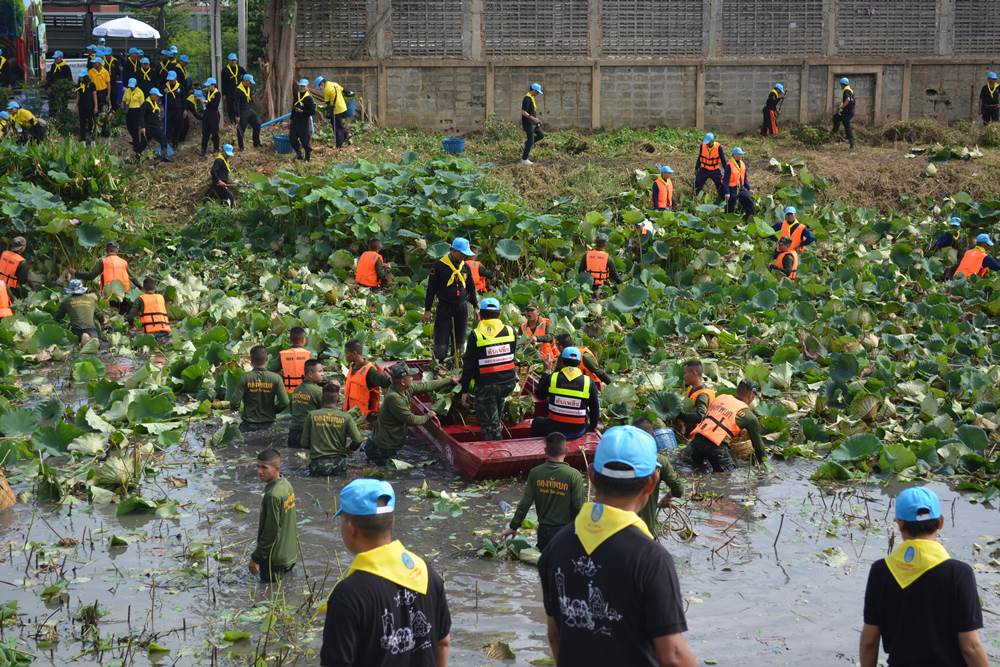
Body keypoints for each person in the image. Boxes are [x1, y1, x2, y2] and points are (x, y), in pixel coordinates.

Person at [538, 426, 697, 667]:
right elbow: (673, 656)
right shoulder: (651, 558)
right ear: (652, 482)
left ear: (591, 475)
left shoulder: (556, 547)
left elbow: (555, 635)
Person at [320, 479, 452, 666]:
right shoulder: (427, 573)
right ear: (392, 521)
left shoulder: (348, 594)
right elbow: (443, 642)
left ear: (350, 527)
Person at [859, 486, 987, 667]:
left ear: (900, 524)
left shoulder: (880, 571)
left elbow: (869, 642)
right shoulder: (958, 573)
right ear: (941, 522)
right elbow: (971, 647)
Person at [502, 432, 585, 550]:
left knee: (544, 558)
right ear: (566, 451)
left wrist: (513, 526)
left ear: (545, 451)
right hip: (565, 532)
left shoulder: (535, 473)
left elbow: (525, 504)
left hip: (543, 532)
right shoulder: (574, 475)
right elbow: (578, 507)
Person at [367, 364, 459, 466]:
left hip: (387, 444)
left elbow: (426, 386)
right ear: (402, 382)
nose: (412, 378)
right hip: (381, 449)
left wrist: (450, 380)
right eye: (410, 376)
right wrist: (428, 416)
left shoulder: (403, 389)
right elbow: (411, 420)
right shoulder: (394, 398)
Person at [459, 297, 518, 441]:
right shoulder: (510, 331)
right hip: (508, 383)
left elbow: (469, 365)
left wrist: (464, 390)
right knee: (495, 416)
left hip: (487, 386)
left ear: (480, 315)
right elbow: (511, 355)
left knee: (489, 426)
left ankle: (496, 447)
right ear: (499, 314)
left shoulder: (476, 334)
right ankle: (496, 429)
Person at [688, 379, 766, 472]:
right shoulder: (749, 416)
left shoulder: (721, 397)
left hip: (697, 440)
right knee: (728, 474)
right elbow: (759, 447)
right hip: (716, 447)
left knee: (695, 469)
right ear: (751, 394)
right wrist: (764, 466)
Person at [422, 237, 479, 363]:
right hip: (445, 306)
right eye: (463, 254)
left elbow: (471, 288)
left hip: (461, 307)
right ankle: (440, 363)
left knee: (460, 339)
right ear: (454, 251)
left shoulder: (465, 267)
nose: (465, 256)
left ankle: (456, 364)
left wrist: (476, 306)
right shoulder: (439, 266)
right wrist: (427, 310)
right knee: (441, 340)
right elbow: (431, 289)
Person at [249, 449, 298, 583]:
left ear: (277, 468)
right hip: (289, 555)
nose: (259, 471)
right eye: (258, 466)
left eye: (264, 467)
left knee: (268, 591)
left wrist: (255, 558)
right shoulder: (286, 484)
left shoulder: (272, 496)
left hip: (274, 560)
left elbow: (270, 532)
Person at [632, 417, 685, 537]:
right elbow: (678, 489)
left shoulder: (616, 458)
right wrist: (666, 498)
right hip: (644, 531)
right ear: (653, 436)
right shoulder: (659, 461)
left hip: (614, 532)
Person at [531, 347, 600, 438]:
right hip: (577, 430)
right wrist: (592, 426)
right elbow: (595, 409)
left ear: (562, 362)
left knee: (536, 422)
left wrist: (546, 372)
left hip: (553, 428)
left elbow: (540, 395)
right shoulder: (588, 382)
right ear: (579, 363)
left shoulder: (553, 378)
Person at [303, 382, 365, 476]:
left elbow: (304, 443)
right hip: (339, 465)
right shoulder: (346, 417)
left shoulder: (311, 415)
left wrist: (317, 449)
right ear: (339, 399)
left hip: (318, 464)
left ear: (322, 398)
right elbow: (358, 440)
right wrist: (349, 449)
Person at [231, 345, 290, 435]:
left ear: (251, 360)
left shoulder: (245, 378)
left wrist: (237, 410)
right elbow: (285, 402)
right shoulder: (276, 378)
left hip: (248, 424)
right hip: (269, 424)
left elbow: (234, 402)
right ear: (266, 359)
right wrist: (274, 410)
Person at [71, 241, 140, 300]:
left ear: (106, 250)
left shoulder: (103, 261)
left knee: (86, 298)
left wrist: (76, 273)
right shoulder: (124, 262)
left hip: (108, 296)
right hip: (124, 295)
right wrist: (141, 287)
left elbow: (91, 276)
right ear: (117, 250)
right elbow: (133, 278)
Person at [343, 339, 391, 419]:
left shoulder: (370, 371)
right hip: (352, 415)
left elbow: (385, 383)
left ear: (354, 353)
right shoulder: (352, 366)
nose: (345, 356)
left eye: (347, 353)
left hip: (365, 418)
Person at [288, 358, 324, 448]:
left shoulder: (296, 389)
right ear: (310, 374)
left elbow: (292, 410)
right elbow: (325, 413)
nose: (323, 374)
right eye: (320, 371)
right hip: (308, 433)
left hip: (293, 432)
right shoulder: (318, 391)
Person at [677, 359, 715, 437]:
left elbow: (700, 417)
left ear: (694, 373)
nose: (684, 376)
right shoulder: (691, 389)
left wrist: (681, 415)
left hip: (699, 435)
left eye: (685, 373)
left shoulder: (703, 395)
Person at [128, 277, 171, 342]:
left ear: (143, 288)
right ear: (155, 288)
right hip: (165, 332)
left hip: (151, 334)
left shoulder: (140, 299)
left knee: (130, 334)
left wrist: (132, 325)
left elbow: (130, 316)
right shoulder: (161, 297)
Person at [315, 75, 350, 148]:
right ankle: (346, 135)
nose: (320, 88)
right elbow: (344, 90)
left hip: (336, 110)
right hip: (343, 107)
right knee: (339, 124)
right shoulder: (334, 83)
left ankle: (339, 145)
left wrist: (326, 111)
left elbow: (327, 103)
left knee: (336, 127)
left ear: (322, 83)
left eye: (320, 86)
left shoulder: (326, 90)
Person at [519, 303, 558, 368]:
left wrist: (537, 338)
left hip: (547, 359)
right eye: (527, 310)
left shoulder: (546, 322)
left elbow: (550, 337)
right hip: (530, 361)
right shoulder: (522, 326)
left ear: (538, 312)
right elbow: (519, 342)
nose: (529, 312)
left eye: (532, 310)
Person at [694, 132, 727, 201]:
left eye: (708, 142)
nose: (707, 144)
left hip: (715, 170)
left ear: (712, 141)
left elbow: (723, 160)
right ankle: (698, 199)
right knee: (697, 183)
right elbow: (700, 157)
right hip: (704, 169)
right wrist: (697, 168)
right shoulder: (702, 146)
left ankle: (722, 199)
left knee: (721, 185)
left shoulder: (718, 147)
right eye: (706, 142)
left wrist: (727, 171)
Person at [724, 147, 754, 220]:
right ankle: (728, 220)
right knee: (731, 205)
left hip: (740, 188)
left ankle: (748, 219)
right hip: (732, 189)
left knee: (749, 202)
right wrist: (727, 192)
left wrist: (749, 188)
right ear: (734, 155)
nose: (741, 156)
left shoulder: (742, 164)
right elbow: (726, 180)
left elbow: (744, 178)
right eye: (739, 154)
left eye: (741, 154)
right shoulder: (729, 165)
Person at [290, 79, 316, 161]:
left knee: (304, 141)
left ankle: (307, 158)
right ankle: (299, 154)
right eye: (300, 86)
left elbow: (312, 112)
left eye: (303, 86)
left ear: (307, 87)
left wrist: (302, 111)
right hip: (295, 121)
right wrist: (291, 119)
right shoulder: (296, 96)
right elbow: (293, 108)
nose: (301, 87)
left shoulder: (309, 98)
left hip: (304, 122)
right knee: (292, 138)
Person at [279, 327, 311, 393]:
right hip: (305, 392)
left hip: (288, 392)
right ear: (303, 339)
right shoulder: (309, 354)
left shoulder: (282, 354)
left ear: (290, 340)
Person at [235, 74, 262, 151]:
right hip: (242, 111)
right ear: (245, 81)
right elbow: (236, 104)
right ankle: (241, 147)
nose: (250, 84)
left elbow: (250, 100)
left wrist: (252, 108)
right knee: (241, 129)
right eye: (250, 82)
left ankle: (256, 143)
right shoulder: (238, 90)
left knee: (257, 124)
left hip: (249, 110)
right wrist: (237, 115)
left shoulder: (248, 88)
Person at [139, 88, 168, 160]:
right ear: (152, 95)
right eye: (157, 96)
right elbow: (141, 116)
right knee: (143, 144)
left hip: (155, 127)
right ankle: (137, 155)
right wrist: (142, 127)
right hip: (148, 127)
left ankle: (164, 155)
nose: (158, 97)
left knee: (163, 139)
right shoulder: (145, 104)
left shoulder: (154, 103)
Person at [521, 82, 544, 165]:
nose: (537, 94)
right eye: (537, 92)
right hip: (528, 123)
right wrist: (534, 119)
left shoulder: (532, 97)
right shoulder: (527, 98)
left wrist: (537, 120)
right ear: (533, 90)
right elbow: (524, 112)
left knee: (541, 135)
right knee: (531, 140)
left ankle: (525, 143)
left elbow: (532, 112)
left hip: (533, 122)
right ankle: (524, 159)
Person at [221, 53, 247, 124]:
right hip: (229, 92)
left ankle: (241, 121)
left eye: (234, 60)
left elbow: (246, 76)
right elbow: (223, 82)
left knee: (239, 105)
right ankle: (232, 122)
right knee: (230, 107)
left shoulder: (240, 68)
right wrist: (224, 94)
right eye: (232, 60)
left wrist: (243, 83)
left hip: (238, 91)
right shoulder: (225, 70)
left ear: (236, 60)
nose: (233, 62)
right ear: (228, 61)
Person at [162, 70, 184, 151]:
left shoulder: (180, 87)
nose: (171, 81)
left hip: (178, 109)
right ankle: (167, 142)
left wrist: (184, 109)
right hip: (169, 109)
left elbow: (183, 98)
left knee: (177, 126)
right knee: (168, 126)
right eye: (170, 80)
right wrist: (164, 93)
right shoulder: (165, 86)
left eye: (172, 79)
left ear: (175, 78)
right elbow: (161, 98)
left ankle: (175, 142)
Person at [122, 78, 145, 153]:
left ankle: (137, 145)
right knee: (129, 126)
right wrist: (122, 105)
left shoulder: (140, 92)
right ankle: (135, 140)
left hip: (136, 111)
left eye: (133, 86)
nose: (131, 87)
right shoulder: (127, 91)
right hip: (129, 110)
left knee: (135, 128)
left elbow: (142, 104)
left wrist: (142, 114)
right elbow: (124, 100)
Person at [832, 77, 856, 150]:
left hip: (847, 112)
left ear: (842, 84)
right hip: (847, 111)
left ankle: (852, 143)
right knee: (836, 117)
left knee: (847, 126)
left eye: (840, 85)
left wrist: (842, 107)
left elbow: (848, 99)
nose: (840, 86)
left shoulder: (846, 90)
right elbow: (846, 100)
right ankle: (833, 133)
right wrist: (841, 106)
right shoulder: (849, 90)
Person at [201, 78, 222, 157]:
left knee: (214, 132)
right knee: (205, 132)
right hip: (207, 113)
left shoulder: (217, 94)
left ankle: (216, 148)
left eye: (209, 86)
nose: (208, 87)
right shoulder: (208, 92)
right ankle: (203, 149)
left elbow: (215, 105)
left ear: (213, 85)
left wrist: (207, 102)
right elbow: (208, 103)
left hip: (214, 114)